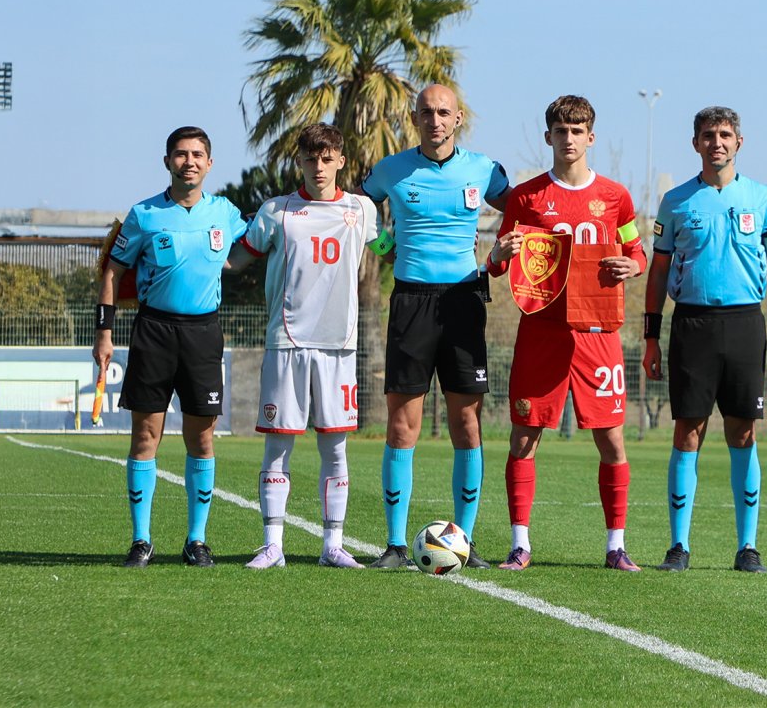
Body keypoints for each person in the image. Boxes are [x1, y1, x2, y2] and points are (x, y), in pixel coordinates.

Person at [486, 95, 647, 571]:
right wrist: (502, 251)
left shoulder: (616, 197)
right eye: (561, 130)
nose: (569, 139)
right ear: (548, 137)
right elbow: (497, 264)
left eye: (578, 131)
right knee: (524, 436)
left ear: (591, 137)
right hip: (542, 332)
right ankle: (520, 544)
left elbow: (638, 252)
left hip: (599, 333)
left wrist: (631, 266)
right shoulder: (527, 197)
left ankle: (616, 546)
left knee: (612, 440)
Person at [359, 84, 511, 569]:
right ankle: (395, 545)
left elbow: (523, 213)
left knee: (467, 423)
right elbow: (356, 213)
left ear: (459, 117)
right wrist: (384, 249)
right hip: (410, 303)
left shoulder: (484, 170)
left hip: (465, 302)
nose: (435, 120)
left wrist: (497, 258)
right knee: (404, 425)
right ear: (415, 117)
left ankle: (464, 539)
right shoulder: (391, 170)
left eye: (443, 112)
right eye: (426, 112)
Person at [642, 106, 767, 574]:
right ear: (696, 143)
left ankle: (747, 548)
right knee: (687, 431)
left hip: (746, 325)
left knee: (743, 431)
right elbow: (659, 269)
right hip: (692, 325)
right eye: (708, 135)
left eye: (726, 134)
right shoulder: (676, 201)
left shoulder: (762, 198)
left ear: (739, 142)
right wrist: (651, 335)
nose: (717, 142)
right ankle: (678, 547)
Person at [93, 126, 247, 568]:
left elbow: (254, 245)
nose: (190, 161)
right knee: (146, 435)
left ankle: (196, 541)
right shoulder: (143, 215)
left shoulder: (225, 212)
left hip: (203, 334)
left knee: (201, 437)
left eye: (198, 154)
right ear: (167, 162)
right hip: (154, 332)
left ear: (210, 163)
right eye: (181, 154)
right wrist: (104, 333)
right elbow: (111, 271)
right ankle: (141, 540)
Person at [227, 124, 380, 569]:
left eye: (327, 158)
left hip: (339, 347)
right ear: (300, 162)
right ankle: (272, 544)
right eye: (310, 159)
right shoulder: (276, 211)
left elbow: (389, 247)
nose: (319, 167)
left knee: (335, 447)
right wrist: (198, 248)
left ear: (341, 162)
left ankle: (333, 545)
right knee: (278, 444)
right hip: (286, 341)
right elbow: (236, 259)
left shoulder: (361, 209)